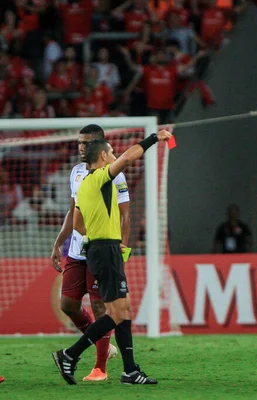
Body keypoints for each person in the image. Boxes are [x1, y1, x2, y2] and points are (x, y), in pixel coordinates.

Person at [52, 129, 172, 385]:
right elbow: (129, 158)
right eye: (112, 153)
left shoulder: (84, 186)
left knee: (125, 309)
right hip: (105, 251)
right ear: (104, 156)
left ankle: (130, 371)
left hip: (101, 248)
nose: (115, 156)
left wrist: (99, 227)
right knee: (114, 313)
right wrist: (154, 138)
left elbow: (78, 225)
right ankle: (70, 355)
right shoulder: (99, 179)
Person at [50, 125, 131, 382]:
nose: (81, 147)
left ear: (99, 144)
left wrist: (123, 249)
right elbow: (74, 211)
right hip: (77, 251)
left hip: (101, 250)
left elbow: (125, 214)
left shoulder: (114, 173)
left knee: (102, 308)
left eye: (86, 143)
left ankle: (100, 368)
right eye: (78, 143)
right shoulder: (75, 173)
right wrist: (58, 242)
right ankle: (101, 345)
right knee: (68, 304)